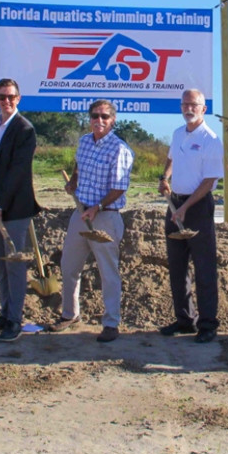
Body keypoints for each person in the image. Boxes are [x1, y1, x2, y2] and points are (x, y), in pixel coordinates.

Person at [51, 99, 134, 343]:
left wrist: (98, 207)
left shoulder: (120, 149)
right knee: (69, 266)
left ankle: (111, 323)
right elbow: (79, 163)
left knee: (108, 272)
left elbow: (119, 188)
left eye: (104, 117)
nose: (99, 120)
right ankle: (70, 314)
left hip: (106, 217)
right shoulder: (85, 141)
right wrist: (74, 181)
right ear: (89, 118)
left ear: (113, 120)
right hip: (80, 213)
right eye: (95, 116)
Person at [0, 79, 41, 342]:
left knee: (14, 264)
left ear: (19, 98)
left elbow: (18, 170)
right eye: (2, 97)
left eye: (11, 97)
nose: (6, 101)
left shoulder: (24, 129)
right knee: (0, 262)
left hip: (13, 206)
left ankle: (15, 320)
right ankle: (4, 314)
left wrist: (0, 205)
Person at [158, 89, 224, 344]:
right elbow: (171, 158)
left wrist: (186, 208)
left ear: (203, 108)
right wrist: (165, 178)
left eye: (193, 104)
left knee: (204, 266)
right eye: (185, 104)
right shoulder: (177, 133)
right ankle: (186, 320)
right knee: (176, 264)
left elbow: (209, 181)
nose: (188, 108)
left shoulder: (210, 139)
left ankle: (208, 324)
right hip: (175, 203)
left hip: (197, 207)